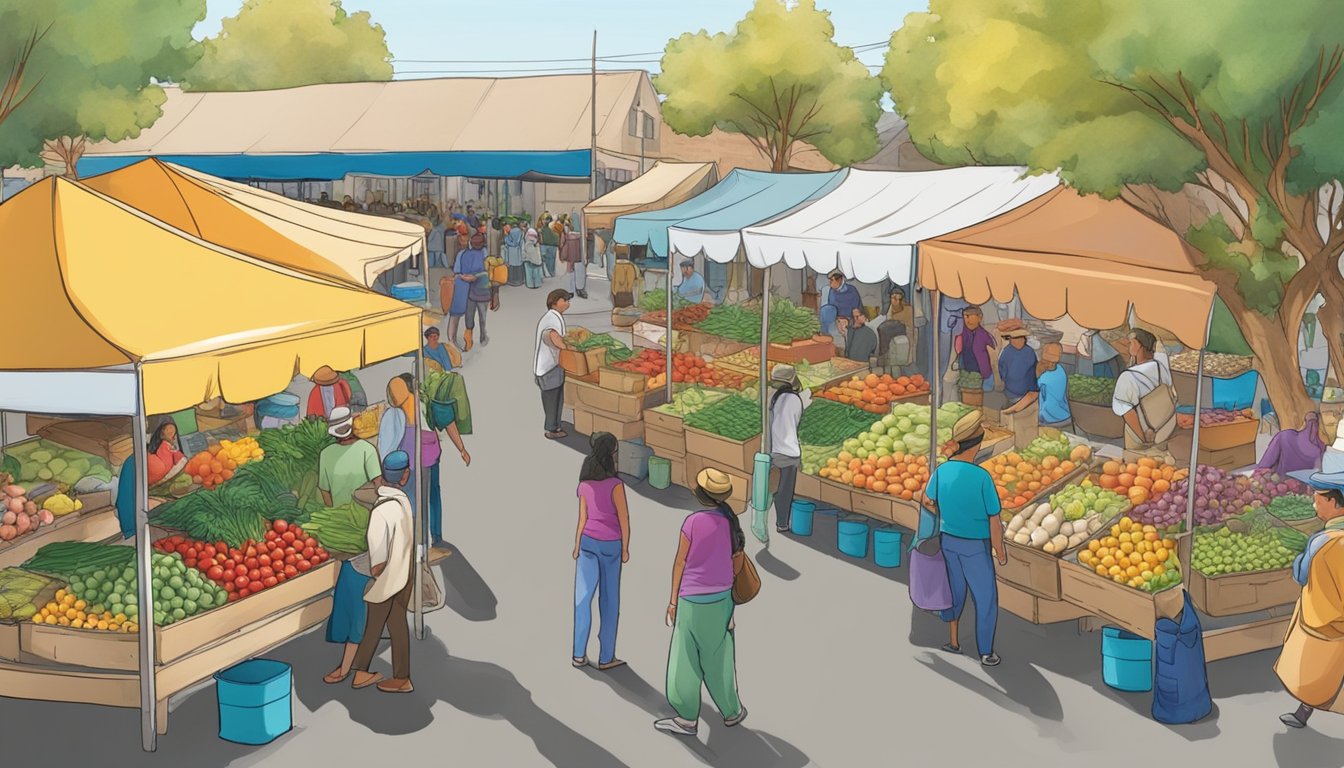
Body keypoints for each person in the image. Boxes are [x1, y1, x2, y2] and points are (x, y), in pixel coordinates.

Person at [656, 468, 748, 736]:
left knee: (686, 658)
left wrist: (672, 600)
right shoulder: (730, 522)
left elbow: (680, 562)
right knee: (719, 656)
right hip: (722, 599)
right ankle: (732, 711)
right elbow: (737, 560)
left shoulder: (692, 523)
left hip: (692, 599)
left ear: (699, 493)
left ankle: (686, 717)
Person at [919, 410, 1007, 667]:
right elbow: (994, 520)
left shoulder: (942, 470)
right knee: (985, 597)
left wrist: (944, 514)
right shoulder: (982, 477)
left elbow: (926, 499)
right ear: (978, 444)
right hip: (976, 547)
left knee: (955, 591)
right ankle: (986, 651)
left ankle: (954, 641)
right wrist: (999, 551)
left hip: (949, 541)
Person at [1276, 470, 1344, 729]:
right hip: (1334, 615)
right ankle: (1304, 712)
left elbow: (1301, 574)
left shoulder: (1326, 542)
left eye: (1317, 498)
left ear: (1334, 503)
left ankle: (1304, 712)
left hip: (1329, 617)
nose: (1314, 503)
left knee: (1316, 670)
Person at [350, 450, 416, 694]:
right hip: (405, 573)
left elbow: (377, 562)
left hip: (388, 578)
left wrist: (377, 576)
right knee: (397, 624)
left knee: (374, 626)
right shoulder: (403, 502)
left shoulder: (380, 511)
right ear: (405, 475)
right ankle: (401, 677)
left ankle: (361, 672)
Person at [572, 432, 632, 670]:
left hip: (587, 542)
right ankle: (606, 657)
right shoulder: (616, 485)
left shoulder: (584, 485)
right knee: (609, 601)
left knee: (582, 599)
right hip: (611, 546)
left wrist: (577, 545)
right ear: (611, 454)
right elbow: (624, 518)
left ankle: (578, 653)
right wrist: (626, 547)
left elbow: (582, 518)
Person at [1112, 329, 1177, 458]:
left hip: (1140, 436)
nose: (1129, 347)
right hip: (1164, 429)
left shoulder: (1127, 377)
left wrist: (1143, 439)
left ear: (1137, 345)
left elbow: (1127, 412)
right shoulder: (1161, 367)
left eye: (1130, 343)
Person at [768, 365, 812, 533]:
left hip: (774, 448)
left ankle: (770, 516)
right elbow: (797, 421)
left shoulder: (773, 397)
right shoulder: (794, 399)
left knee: (774, 485)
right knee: (785, 490)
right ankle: (782, 523)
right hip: (789, 451)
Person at [319, 407, 383, 508]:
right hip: (365, 514)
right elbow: (378, 484)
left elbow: (324, 490)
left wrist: (333, 512)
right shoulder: (368, 449)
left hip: (341, 515)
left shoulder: (325, 453)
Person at [1004, 342, 1071, 428]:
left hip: (1050, 419)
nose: (1049, 364)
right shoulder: (1060, 369)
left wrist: (1009, 411)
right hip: (1065, 415)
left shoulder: (1047, 376)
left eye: (1051, 362)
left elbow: (1030, 396)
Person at [535, 289, 573, 439]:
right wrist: (566, 347)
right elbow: (551, 335)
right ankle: (551, 429)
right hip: (549, 366)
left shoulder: (554, 316)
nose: (568, 303)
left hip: (552, 365)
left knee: (557, 397)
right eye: (565, 300)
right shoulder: (552, 318)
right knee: (552, 398)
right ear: (555, 303)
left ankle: (555, 426)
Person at [452, 233, 490, 351]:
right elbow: (488, 272)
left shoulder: (465, 254)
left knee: (470, 316)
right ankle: (481, 337)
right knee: (481, 316)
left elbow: (458, 272)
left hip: (470, 290)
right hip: (482, 290)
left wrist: (465, 277)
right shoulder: (485, 254)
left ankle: (470, 339)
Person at [1260, 412, 1326, 478]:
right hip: (1303, 485)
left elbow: (1265, 464)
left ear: (1304, 423)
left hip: (1280, 483)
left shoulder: (1285, 436)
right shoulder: (1320, 447)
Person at [955, 306, 997, 391]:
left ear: (979, 318)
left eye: (970, 316)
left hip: (983, 375)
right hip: (966, 374)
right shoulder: (961, 333)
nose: (967, 319)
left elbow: (993, 352)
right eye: (965, 316)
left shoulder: (984, 335)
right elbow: (958, 351)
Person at [997, 328, 1039, 405]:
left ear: (1024, 339)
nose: (1018, 341)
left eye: (1020, 338)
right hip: (1013, 392)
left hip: (1027, 392)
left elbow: (1035, 371)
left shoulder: (1029, 352)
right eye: (1015, 338)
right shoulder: (1006, 352)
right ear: (1010, 340)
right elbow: (1001, 370)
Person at [145, 419, 187, 488]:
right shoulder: (163, 447)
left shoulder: (168, 448)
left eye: (172, 432)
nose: (170, 431)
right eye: (167, 430)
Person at [822, 271, 861, 339]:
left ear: (840, 280)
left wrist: (852, 322)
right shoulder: (831, 291)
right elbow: (831, 310)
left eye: (832, 280)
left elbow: (856, 311)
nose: (830, 283)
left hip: (849, 319)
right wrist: (838, 321)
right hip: (836, 319)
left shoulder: (851, 290)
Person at [561, 221, 586, 299]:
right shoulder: (582, 235)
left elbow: (562, 244)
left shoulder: (566, 235)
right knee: (580, 273)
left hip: (570, 256)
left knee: (571, 274)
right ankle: (579, 289)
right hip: (579, 255)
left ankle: (571, 291)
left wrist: (562, 256)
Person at [504, 221, 525, 286]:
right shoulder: (520, 232)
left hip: (511, 251)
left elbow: (508, 241)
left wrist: (506, 236)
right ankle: (520, 280)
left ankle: (512, 281)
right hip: (518, 251)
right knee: (518, 266)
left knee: (512, 267)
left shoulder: (511, 233)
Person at [540, 213, 561, 278]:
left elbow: (557, 235)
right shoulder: (542, 228)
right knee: (545, 259)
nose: (544, 221)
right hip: (545, 245)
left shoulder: (553, 226)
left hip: (552, 245)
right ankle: (547, 273)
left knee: (551, 260)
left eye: (546, 219)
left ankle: (551, 272)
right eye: (543, 219)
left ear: (549, 220)